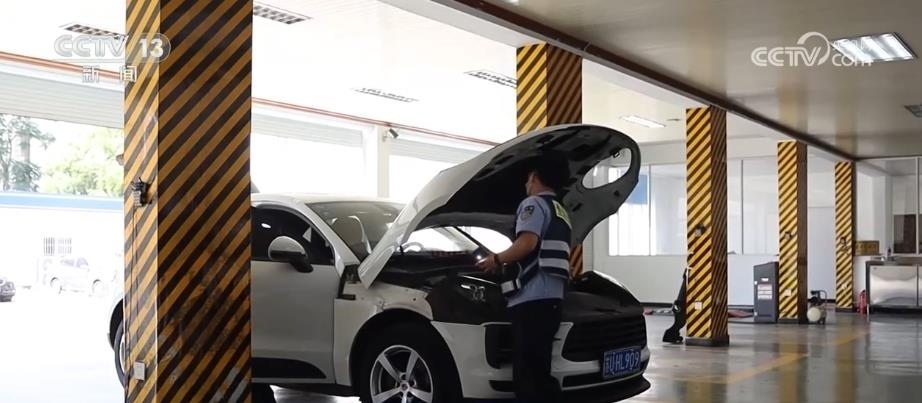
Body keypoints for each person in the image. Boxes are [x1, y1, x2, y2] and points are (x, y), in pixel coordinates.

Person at [476, 154, 572, 403]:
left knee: (528, 374)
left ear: (534, 176)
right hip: (553, 298)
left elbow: (527, 243)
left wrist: (496, 259)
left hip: (532, 298)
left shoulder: (533, 204)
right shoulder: (560, 209)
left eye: (528, 177)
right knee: (539, 369)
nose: (525, 183)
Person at [662, 268, 688, 344]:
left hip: (678, 305)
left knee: (679, 323)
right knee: (679, 323)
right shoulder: (687, 281)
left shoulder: (686, 281)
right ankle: (669, 337)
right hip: (680, 305)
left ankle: (672, 336)